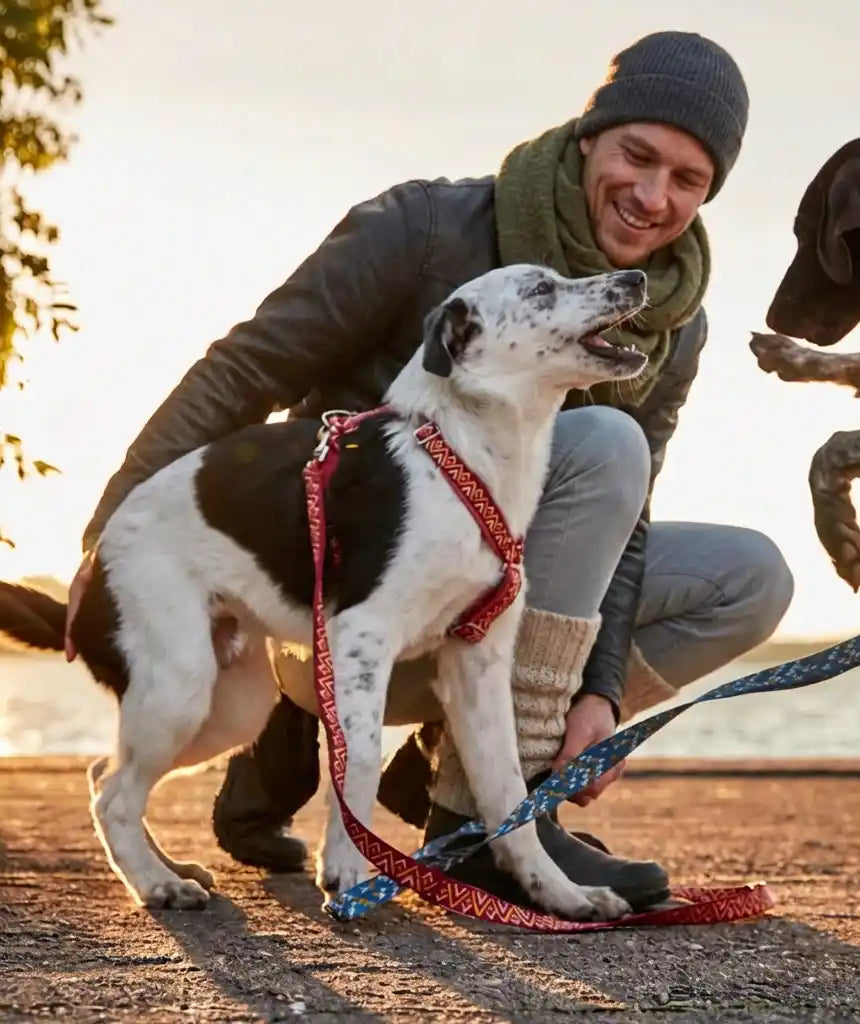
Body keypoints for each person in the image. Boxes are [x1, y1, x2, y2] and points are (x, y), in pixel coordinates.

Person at [64, 30, 794, 910]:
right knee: (604, 442)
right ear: (587, 137)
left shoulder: (673, 321)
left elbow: (625, 520)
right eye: (637, 156)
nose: (652, 197)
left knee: (747, 574)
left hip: (483, 593)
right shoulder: (425, 227)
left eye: (688, 179)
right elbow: (246, 369)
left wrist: (601, 690)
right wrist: (109, 533)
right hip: (339, 585)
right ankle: (427, 797)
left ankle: (470, 792)